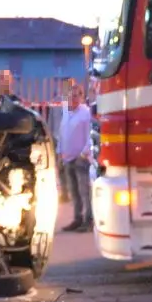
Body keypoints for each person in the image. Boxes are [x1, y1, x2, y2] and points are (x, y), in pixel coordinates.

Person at [58, 81, 95, 231]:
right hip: (67, 157)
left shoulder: (86, 113)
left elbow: (90, 135)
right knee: (74, 191)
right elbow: (62, 132)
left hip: (81, 158)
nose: (73, 98)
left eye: (77, 95)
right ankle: (77, 218)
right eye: (71, 95)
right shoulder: (66, 111)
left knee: (84, 190)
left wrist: (84, 153)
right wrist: (59, 150)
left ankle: (88, 220)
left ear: (82, 96)